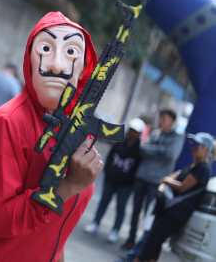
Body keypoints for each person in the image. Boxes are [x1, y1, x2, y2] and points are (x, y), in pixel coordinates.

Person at [0, 11, 104, 262]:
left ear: (84, 69)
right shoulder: (8, 124)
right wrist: (68, 186)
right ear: (29, 59)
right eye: (46, 48)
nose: (57, 64)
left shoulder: (73, 129)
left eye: (71, 52)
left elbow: (55, 229)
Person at [134, 132, 213, 262]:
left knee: (153, 241)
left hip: (175, 214)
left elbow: (182, 186)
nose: (193, 148)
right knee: (152, 242)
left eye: (198, 146)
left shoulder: (203, 168)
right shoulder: (194, 165)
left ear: (205, 149)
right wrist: (167, 180)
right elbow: (174, 176)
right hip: (168, 210)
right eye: (194, 145)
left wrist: (165, 180)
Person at [122, 109, 184, 250]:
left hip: (157, 182)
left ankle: (142, 245)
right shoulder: (155, 133)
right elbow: (142, 149)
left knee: (149, 215)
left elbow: (170, 154)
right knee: (135, 211)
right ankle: (131, 239)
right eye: (161, 118)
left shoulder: (177, 137)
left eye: (164, 119)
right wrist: (158, 150)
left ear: (172, 122)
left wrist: (152, 149)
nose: (161, 121)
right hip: (142, 177)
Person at [84, 117, 145, 243]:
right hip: (111, 179)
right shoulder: (119, 142)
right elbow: (110, 157)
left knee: (120, 207)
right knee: (103, 202)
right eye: (131, 130)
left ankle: (115, 230)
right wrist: (108, 172)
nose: (131, 133)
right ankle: (95, 223)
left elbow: (138, 168)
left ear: (139, 134)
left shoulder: (140, 150)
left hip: (126, 185)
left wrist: (131, 182)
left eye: (135, 131)